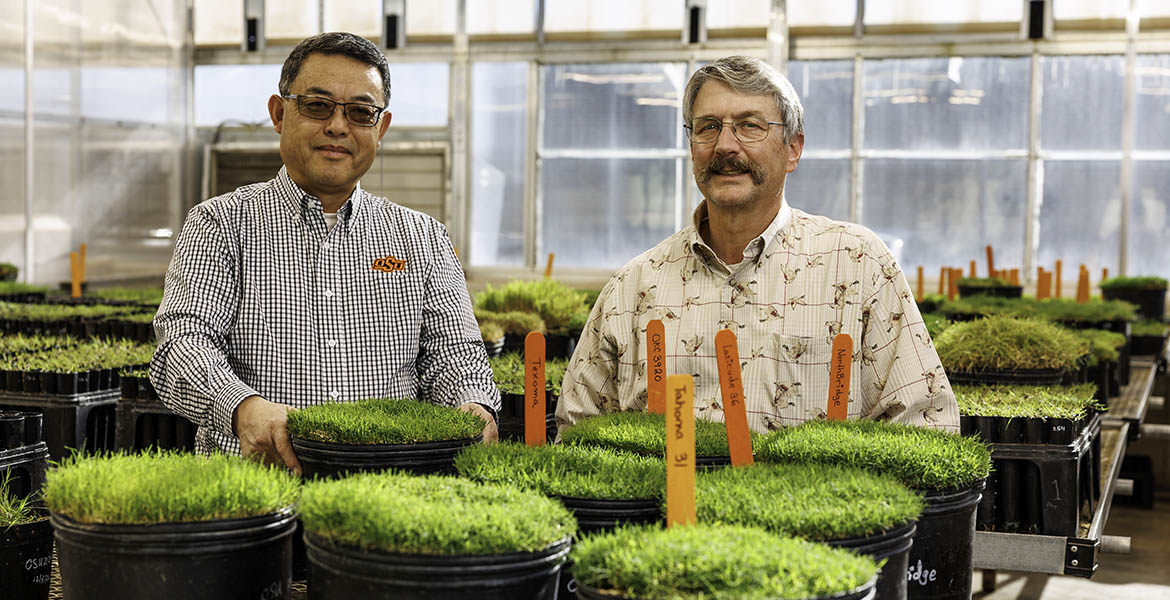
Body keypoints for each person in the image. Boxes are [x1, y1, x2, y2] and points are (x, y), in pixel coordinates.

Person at [151, 32, 499, 473]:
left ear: (381, 128)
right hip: (253, 490)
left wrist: (472, 402)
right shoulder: (221, 225)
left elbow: (456, 353)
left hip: (392, 492)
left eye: (360, 112)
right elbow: (183, 341)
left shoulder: (423, 237)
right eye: (317, 106)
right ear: (279, 113)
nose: (338, 127)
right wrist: (241, 407)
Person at [556, 55, 958, 434]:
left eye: (750, 125)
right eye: (708, 126)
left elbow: (925, 421)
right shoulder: (632, 288)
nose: (726, 146)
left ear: (793, 149)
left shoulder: (857, 266)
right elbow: (578, 432)